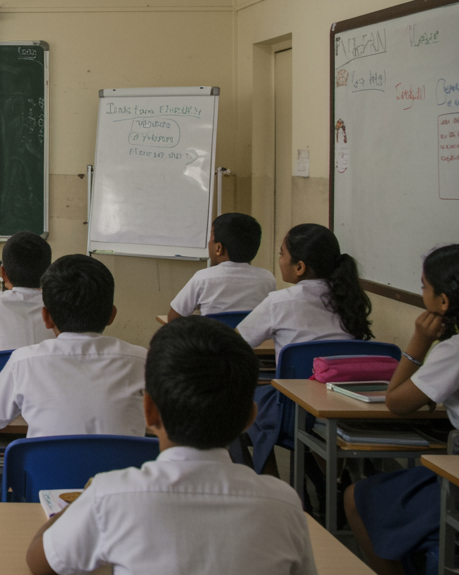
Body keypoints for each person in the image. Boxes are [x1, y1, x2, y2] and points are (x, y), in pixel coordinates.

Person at [26, 317, 316, 575]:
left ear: (149, 411)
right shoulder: (284, 504)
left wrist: (80, 503)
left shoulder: (109, 496)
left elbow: (40, 561)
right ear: (250, 418)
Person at [345, 244, 459, 575]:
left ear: (443, 301)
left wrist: (419, 342)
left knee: (356, 498)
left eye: (423, 286)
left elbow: (396, 402)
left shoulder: (452, 352)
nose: (421, 292)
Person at [237, 223, 372, 473]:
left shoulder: (280, 302)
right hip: (348, 408)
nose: (279, 260)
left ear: (299, 267)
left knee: (241, 405)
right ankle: (329, 482)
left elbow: (235, 343)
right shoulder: (351, 299)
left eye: (281, 254)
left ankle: (270, 481)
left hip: (293, 411)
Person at [0, 254, 148, 439]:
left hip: (45, 460)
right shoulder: (143, 360)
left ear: (46, 318)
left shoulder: (23, 362)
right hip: (123, 459)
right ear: (112, 315)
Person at [165, 213, 276, 320]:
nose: (208, 243)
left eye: (210, 239)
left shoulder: (203, 278)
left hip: (213, 334)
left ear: (219, 248)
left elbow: (173, 318)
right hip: (250, 334)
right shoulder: (268, 279)